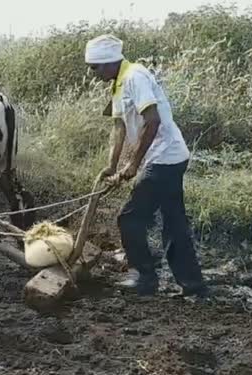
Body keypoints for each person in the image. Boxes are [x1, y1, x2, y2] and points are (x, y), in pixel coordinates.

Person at [84, 34, 207, 297]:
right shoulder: (118, 84)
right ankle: (193, 286)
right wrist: (111, 165)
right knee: (173, 222)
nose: (92, 73)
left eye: (94, 67)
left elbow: (152, 120)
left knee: (129, 219)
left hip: (164, 157)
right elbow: (119, 128)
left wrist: (133, 164)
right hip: (166, 157)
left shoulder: (134, 77)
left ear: (107, 62)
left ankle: (145, 278)